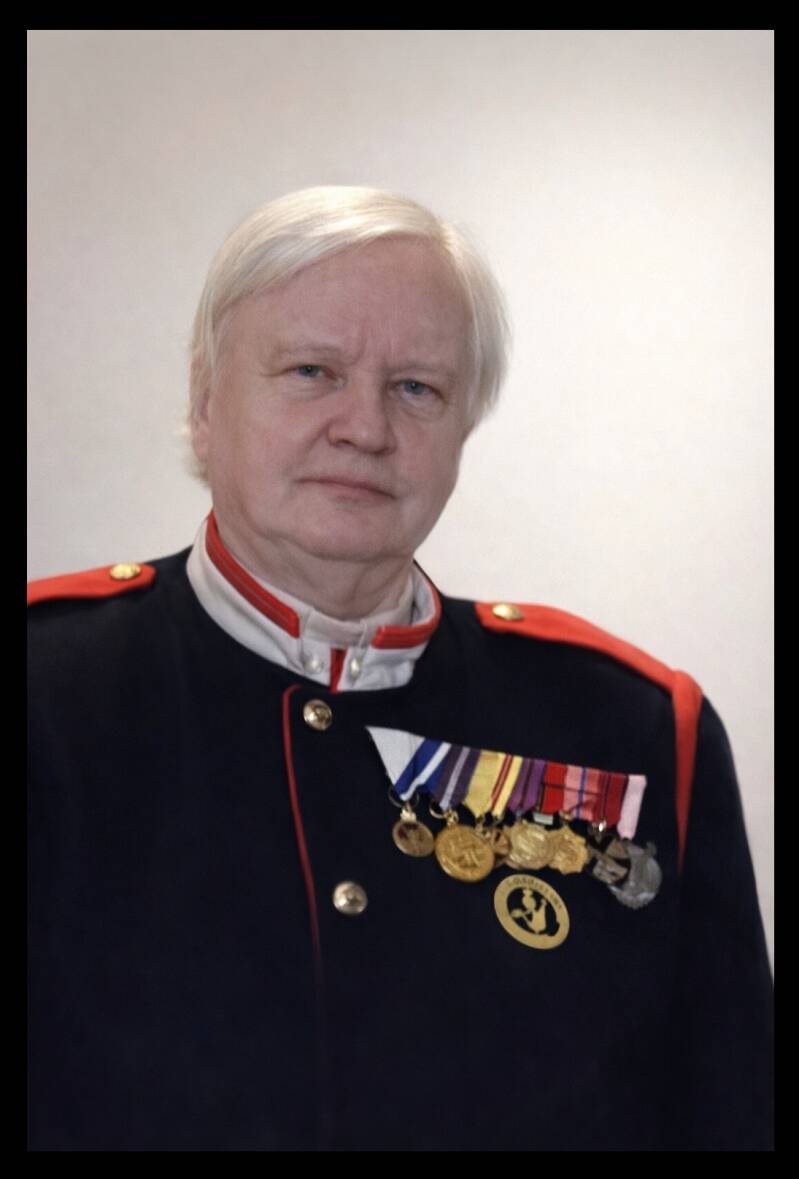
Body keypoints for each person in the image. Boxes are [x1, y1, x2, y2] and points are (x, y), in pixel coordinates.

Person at [28, 186, 773, 1151]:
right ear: (205, 402)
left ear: (463, 428)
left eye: (416, 387)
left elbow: (729, 1112)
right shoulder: (49, 692)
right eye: (311, 371)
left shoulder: (635, 728)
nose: (365, 428)